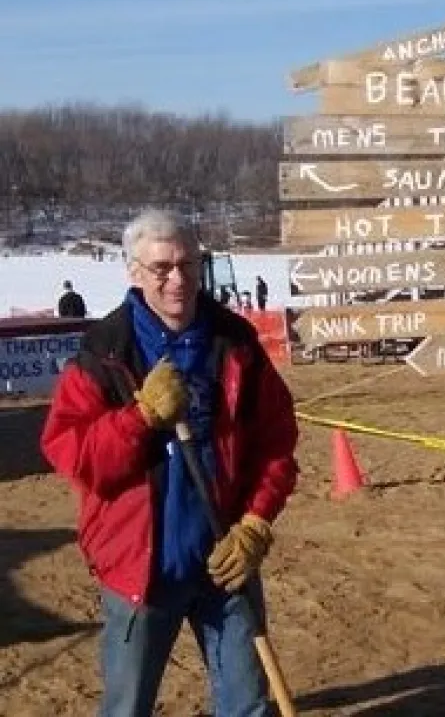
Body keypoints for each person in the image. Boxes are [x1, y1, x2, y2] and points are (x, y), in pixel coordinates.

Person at [41, 208, 299, 716]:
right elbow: (78, 458)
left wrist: (254, 523)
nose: (177, 279)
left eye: (188, 264)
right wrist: (138, 418)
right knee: (126, 707)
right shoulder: (104, 352)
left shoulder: (236, 343)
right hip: (140, 569)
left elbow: (276, 443)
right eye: (161, 267)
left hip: (226, 563)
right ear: (134, 272)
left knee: (248, 704)